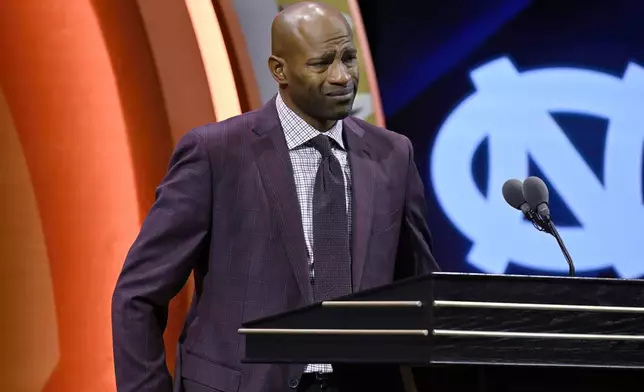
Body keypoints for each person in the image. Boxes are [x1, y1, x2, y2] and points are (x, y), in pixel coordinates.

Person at [111, 2, 439, 391]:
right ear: (279, 70)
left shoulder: (393, 155)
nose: (342, 76)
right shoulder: (216, 153)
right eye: (321, 63)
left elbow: (421, 290)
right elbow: (138, 296)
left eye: (349, 58)